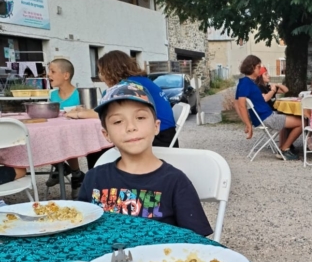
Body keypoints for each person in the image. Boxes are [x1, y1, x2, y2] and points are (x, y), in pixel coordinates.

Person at [77, 81, 212, 236]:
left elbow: (197, 243)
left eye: (140, 117)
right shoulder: (94, 178)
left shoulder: (175, 182)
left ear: (156, 126)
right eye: (118, 121)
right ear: (106, 134)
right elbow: (80, 230)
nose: (131, 127)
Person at [66, 51, 178, 168]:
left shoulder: (129, 86)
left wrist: (79, 114)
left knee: (96, 147)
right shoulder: (140, 81)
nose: (100, 76)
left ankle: (99, 179)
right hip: (166, 135)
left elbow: (106, 112)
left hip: (157, 138)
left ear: (110, 70)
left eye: (101, 71)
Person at [235, 55, 302, 161]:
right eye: (258, 66)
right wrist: (248, 124)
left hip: (267, 116)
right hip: (267, 118)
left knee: (293, 118)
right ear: (252, 67)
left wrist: (247, 123)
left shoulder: (246, 82)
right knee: (302, 122)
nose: (259, 68)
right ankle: (285, 149)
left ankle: (285, 147)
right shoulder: (246, 83)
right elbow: (241, 105)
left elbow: (238, 104)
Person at [45, 59, 85, 196]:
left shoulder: (79, 94)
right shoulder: (52, 95)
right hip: (55, 134)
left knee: (67, 140)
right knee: (43, 138)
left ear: (66, 76)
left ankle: (71, 172)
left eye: (52, 71)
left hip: (74, 135)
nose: (48, 74)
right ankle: (62, 167)